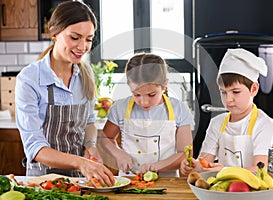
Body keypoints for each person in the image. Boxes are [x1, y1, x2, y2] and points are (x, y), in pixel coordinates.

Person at [15, 1, 114, 186]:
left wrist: (91, 145)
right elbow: (35, 148)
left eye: (89, 39)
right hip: (43, 182)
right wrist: (81, 163)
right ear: (54, 32)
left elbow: (89, 122)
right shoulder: (29, 79)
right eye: (75, 37)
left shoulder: (86, 74)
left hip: (80, 180)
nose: (83, 46)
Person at [180, 48, 273, 176]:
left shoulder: (264, 124)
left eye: (235, 92)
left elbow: (261, 169)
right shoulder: (217, 123)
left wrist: (225, 171)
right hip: (221, 192)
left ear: (253, 89)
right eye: (223, 92)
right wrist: (192, 165)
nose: (228, 99)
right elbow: (204, 162)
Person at [100, 52, 194, 177]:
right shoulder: (119, 108)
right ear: (129, 85)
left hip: (167, 180)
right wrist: (119, 155)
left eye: (151, 95)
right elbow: (106, 138)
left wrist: (157, 166)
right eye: (137, 94)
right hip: (129, 179)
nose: (144, 102)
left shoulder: (179, 109)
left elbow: (185, 153)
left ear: (164, 85)